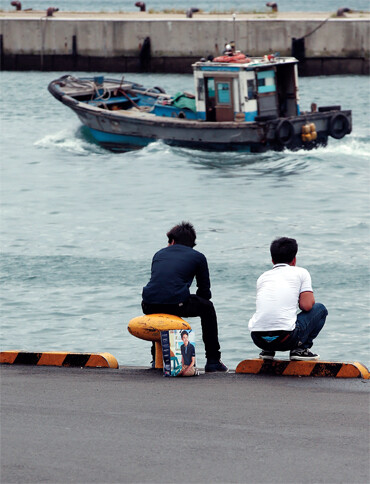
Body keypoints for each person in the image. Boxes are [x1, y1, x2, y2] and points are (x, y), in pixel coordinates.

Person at [142, 221, 228, 372]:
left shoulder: (159, 254)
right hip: (176, 303)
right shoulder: (198, 257)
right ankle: (213, 360)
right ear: (191, 244)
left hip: (148, 304)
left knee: (162, 306)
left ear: (172, 241)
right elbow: (204, 293)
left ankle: (156, 358)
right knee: (207, 308)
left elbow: (160, 285)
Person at [248, 237, 328, 361]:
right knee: (321, 309)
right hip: (286, 338)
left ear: (272, 260)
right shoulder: (301, 273)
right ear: (294, 259)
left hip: (258, 338)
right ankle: (301, 349)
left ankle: (268, 351)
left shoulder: (263, 277)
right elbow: (306, 306)